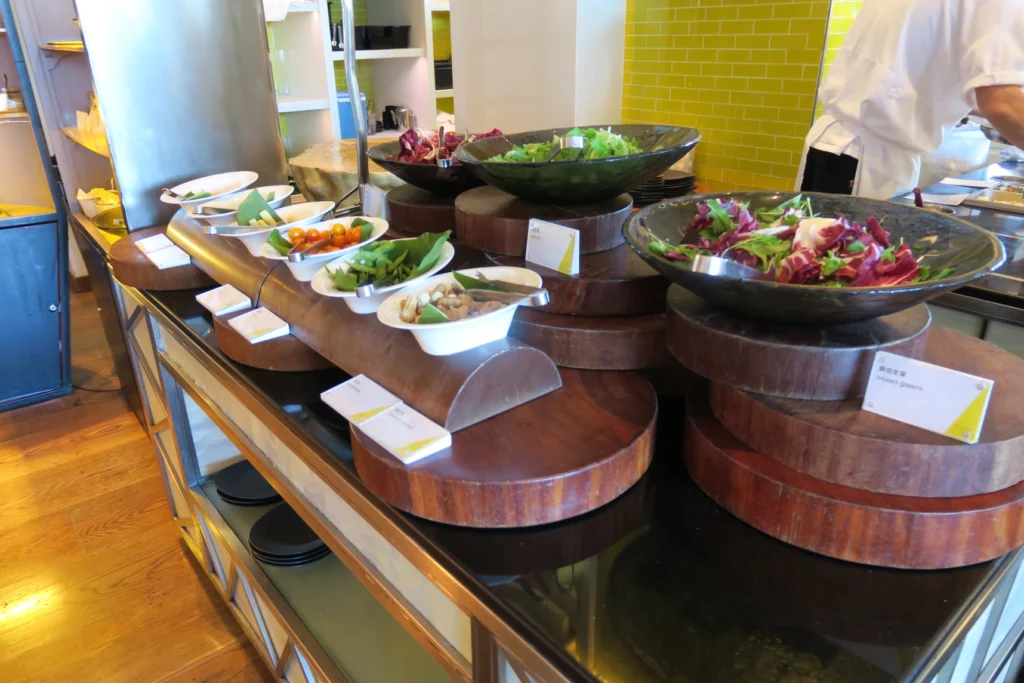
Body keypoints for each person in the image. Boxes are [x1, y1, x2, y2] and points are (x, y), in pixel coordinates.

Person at [798, 0, 1024, 199]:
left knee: (810, 242)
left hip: (834, 143)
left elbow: (908, 79)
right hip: (866, 163)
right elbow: (1003, 105)